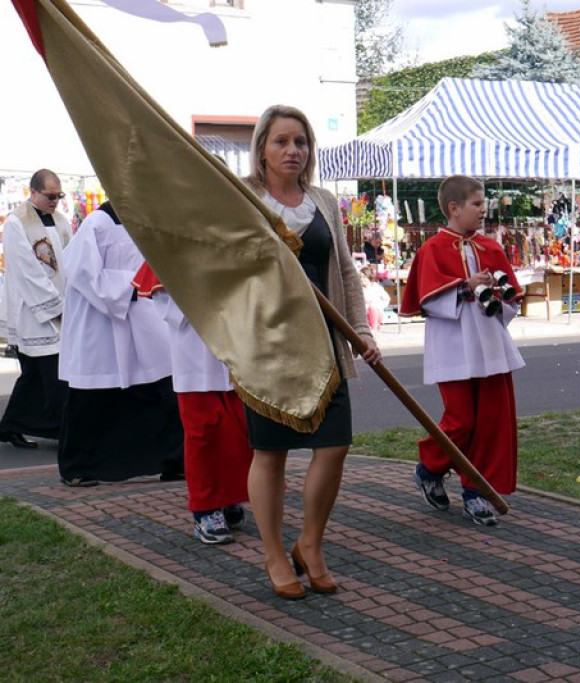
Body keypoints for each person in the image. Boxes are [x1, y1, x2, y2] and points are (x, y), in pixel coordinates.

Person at [243, 105, 380, 600]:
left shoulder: (322, 200)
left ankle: (310, 544)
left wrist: (360, 328)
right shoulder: (243, 198)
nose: (292, 150)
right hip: (269, 347)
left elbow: (344, 271)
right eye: (281, 141)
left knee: (335, 445)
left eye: (300, 141)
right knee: (271, 453)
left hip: (326, 342)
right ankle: (274, 554)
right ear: (262, 148)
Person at [400, 175, 525, 528]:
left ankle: (475, 492)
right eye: (477, 204)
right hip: (454, 346)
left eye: (484, 204)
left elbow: (511, 299)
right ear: (454, 208)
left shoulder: (491, 247)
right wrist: (465, 288)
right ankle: (429, 467)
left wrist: (500, 297)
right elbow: (427, 301)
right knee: (461, 420)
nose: (484, 210)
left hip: (490, 346)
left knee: (490, 422)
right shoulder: (433, 249)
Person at [57, 201, 185, 487]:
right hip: (99, 323)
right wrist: (133, 284)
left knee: (161, 387)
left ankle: (173, 460)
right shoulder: (98, 222)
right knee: (91, 398)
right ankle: (78, 466)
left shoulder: (145, 221)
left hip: (141, 316)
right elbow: (80, 272)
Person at [143, 264, 253, 545]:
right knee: (203, 431)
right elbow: (163, 295)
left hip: (235, 341)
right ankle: (205, 509)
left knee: (237, 428)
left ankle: (227, 498)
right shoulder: (170, 241)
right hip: (194, 345)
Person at [0, 169, 71, 448]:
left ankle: (11, 425)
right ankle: (62, 429)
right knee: (51, 373)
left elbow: (70, 261)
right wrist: (55, 307)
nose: (55, 201)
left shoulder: (61, 220)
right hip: (33, 311)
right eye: (50, 196)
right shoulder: (17, 222)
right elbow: (26, 272)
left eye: (59, 196)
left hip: (61, 308)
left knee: (35, 376)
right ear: (33, 191)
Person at [360, 266, 390, 332]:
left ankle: (374, 327)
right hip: (364, 313)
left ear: (369, 277)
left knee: (372, 307)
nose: (362, 279)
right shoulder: (360, 289)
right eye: (360, 277)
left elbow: (386, 298)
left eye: (364, 277)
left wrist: (380, 306)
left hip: (376, 312)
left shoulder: (376, 287)